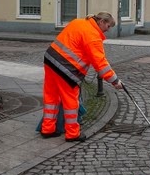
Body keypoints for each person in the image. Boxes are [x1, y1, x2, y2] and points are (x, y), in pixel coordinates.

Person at [41, 12, 123, 142]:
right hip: (66, 69)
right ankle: (72, 133)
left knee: (51, 96)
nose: (108, 29)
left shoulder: (78, 22)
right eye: (108, 26)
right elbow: (100, 64)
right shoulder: (93, 36)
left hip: (50, 59)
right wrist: (115, 81)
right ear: (101, 21)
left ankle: (47, 129)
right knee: (71, 102)